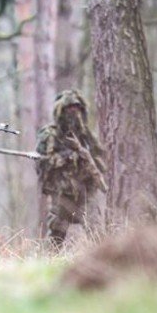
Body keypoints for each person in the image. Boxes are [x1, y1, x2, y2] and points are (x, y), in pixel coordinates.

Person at [36, 89, 107, 248]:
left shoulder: (86, 135)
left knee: (96, 232)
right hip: (62, 194)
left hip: (87, 193)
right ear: (61, 111)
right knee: (55, 237)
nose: (74, 113)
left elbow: (100, 157)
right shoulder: (50, 135)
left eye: (77, 109)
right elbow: (42, 162)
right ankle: (47, 267)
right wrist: (66, 157)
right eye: (69, 109)